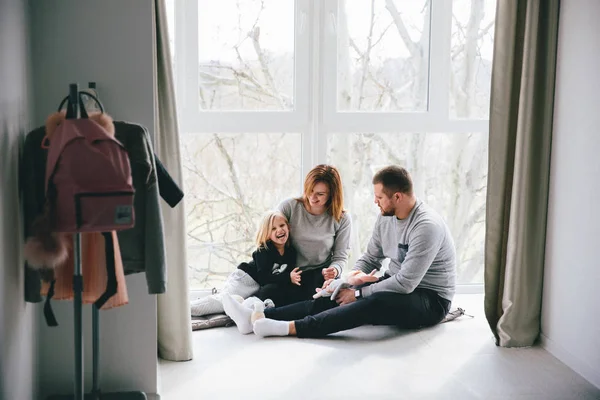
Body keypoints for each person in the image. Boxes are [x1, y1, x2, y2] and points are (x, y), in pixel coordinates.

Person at [222, 165, 456, 337]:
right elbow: (371, 258)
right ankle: (259, 316)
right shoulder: (386, 216)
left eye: (379, 197)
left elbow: (406, 283)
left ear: (397, 196)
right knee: (333, 295)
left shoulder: (426, 227)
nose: (375, 202)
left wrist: (357, 294)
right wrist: (345, 282)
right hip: (397, 283)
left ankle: (290, 328)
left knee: (369, 302)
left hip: (430, 299)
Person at [254, 164, 352, 307]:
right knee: (266, 293)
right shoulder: (289, 207)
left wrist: (334, 270)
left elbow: (340, 256)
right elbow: (270, 237)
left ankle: (274, 316)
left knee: (326, 301)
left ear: (332, 194)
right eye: (310, 190)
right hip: (288, 273)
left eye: (320, 194)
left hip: (318, 275)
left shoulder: (341, 219)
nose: (312, 197)